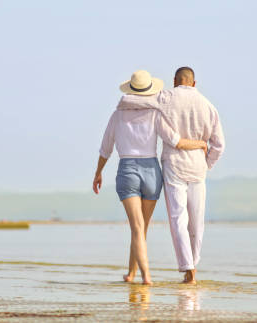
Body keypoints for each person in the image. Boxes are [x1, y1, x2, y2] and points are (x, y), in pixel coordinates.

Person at [93, 70, 207, 285]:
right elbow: (176, 141)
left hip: (128, 171)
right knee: (141, 229)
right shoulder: (156, 113)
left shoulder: (118, 115)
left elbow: (105, 148)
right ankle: (132, 273)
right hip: (151, 172)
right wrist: (200, 144)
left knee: (136, 228)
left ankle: (146, 276)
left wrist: (98, 173)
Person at [117, 67, 225, 284]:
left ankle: (188, 267)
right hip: (197, 164)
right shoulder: (208, 105)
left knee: (178, 217)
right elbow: (219, 145)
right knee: (197, 219)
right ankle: (193, 267)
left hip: (174, 163)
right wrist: (207, 165)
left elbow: (131, 101)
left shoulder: (164, 97)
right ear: (194, 83)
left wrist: (123, 102)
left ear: (175, 81)